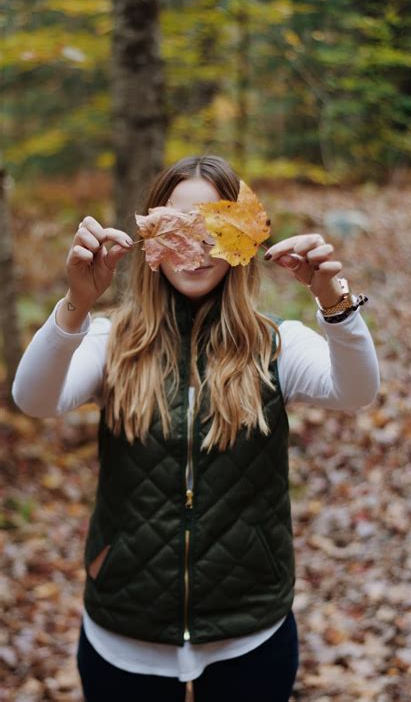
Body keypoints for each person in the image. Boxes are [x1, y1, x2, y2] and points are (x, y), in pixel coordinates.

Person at [12, 155, 380, 702]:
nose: (194, 246)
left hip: (249, 628)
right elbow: (34, 399)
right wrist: (76, 305)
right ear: (151, 241)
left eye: (215, 226)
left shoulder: (276, 344)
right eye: (177, 226)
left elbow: (356, 390)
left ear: (242, 241)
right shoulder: (113, 342)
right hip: (125, 629)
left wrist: (334, 301)